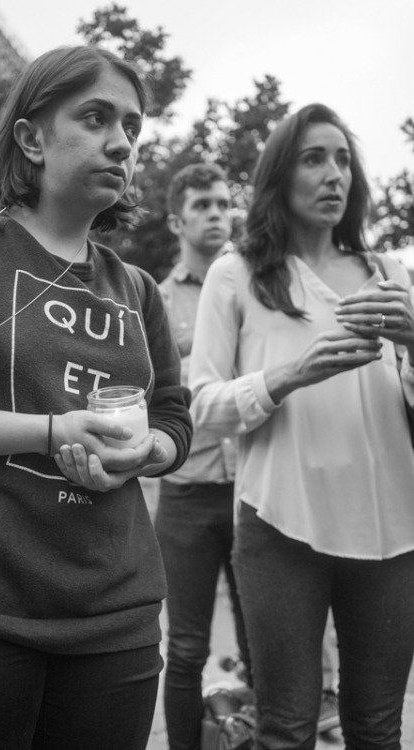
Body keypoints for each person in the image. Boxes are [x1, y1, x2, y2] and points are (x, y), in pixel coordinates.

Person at [0, 45, 192, 750]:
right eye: (95, 117)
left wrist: (146, 452)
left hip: (118, 623)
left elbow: (173, 420)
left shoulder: (138, 289)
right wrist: (52, 430)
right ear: (31, 137)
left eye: (132, 125)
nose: (121, 141)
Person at [189, 102, 414, 749]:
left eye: (343, 159)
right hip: (282, 525)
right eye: (314, 158)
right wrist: (287, 375)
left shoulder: (390, 273)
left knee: (376, 727)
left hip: (393, 531)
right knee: (286, 728)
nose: (333, 173)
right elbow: (202, 405)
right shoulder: (237, 274)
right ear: (280, 175)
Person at [154, 162, 251, 750]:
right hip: (187, 494)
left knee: (263, 639)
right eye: (203, 206)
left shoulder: (252, 285)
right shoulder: (155, 303)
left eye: (223, 203)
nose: (218, 214)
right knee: (186, 649)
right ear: (177, 221)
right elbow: (153, 397)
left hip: (253, 489)